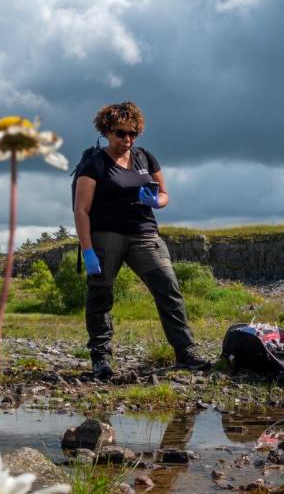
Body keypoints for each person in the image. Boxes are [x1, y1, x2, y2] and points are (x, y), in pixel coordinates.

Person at [73, 101, 211, 379]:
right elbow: (81, 209)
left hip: (144, 234)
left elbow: (164, 193)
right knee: (100, 295)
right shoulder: (94, 162)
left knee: (168, 288)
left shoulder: (145, 158)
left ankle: (186, 352)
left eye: (133, 133)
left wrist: (157, 202)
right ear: (107, 131)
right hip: (106, 235)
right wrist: (88, 250)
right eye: (120, 133)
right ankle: (101, 359)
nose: (127, 139)